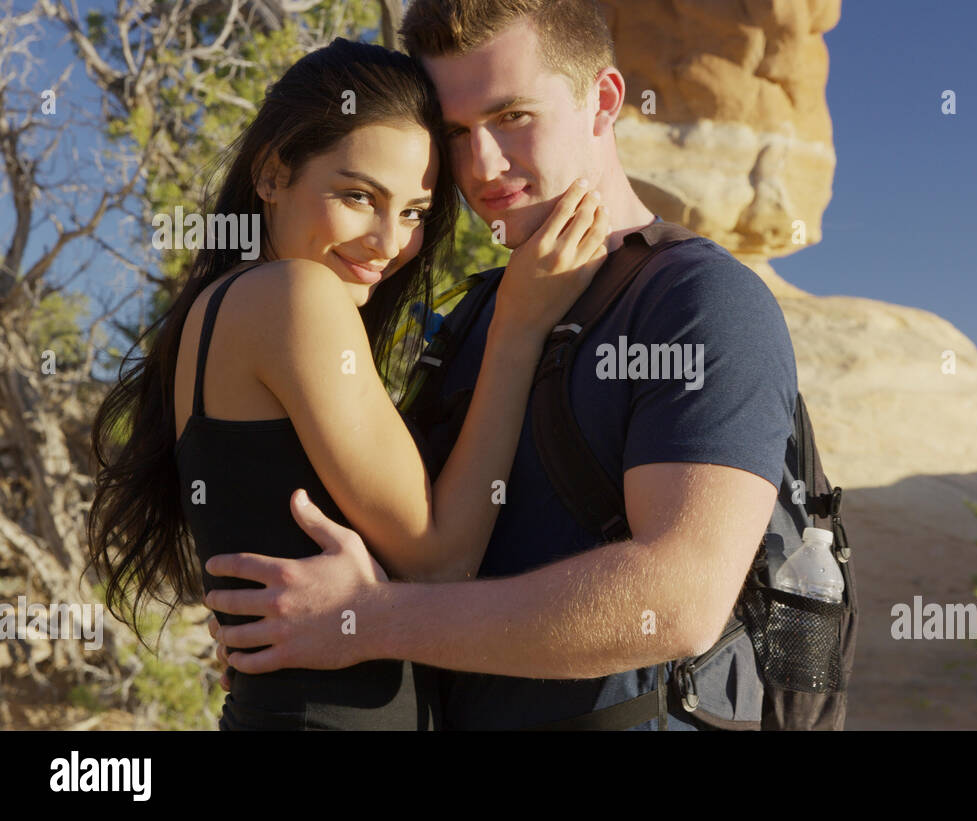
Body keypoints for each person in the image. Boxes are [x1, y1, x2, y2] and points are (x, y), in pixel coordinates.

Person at [204, 0, 799, 730]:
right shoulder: (479, 315)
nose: (482, 165)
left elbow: (676, 600)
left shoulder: (698, 302)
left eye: (512, 116)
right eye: (456, 133)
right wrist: (282, 619)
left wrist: (369, 618)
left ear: (604, 101)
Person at [87, 37, 609, 730]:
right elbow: (441, 558)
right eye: (359, 196)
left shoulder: (221, 306)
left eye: (417, 212)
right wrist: (518, 327)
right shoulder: (294, 295)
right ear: (272, 174)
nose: (389, 241)